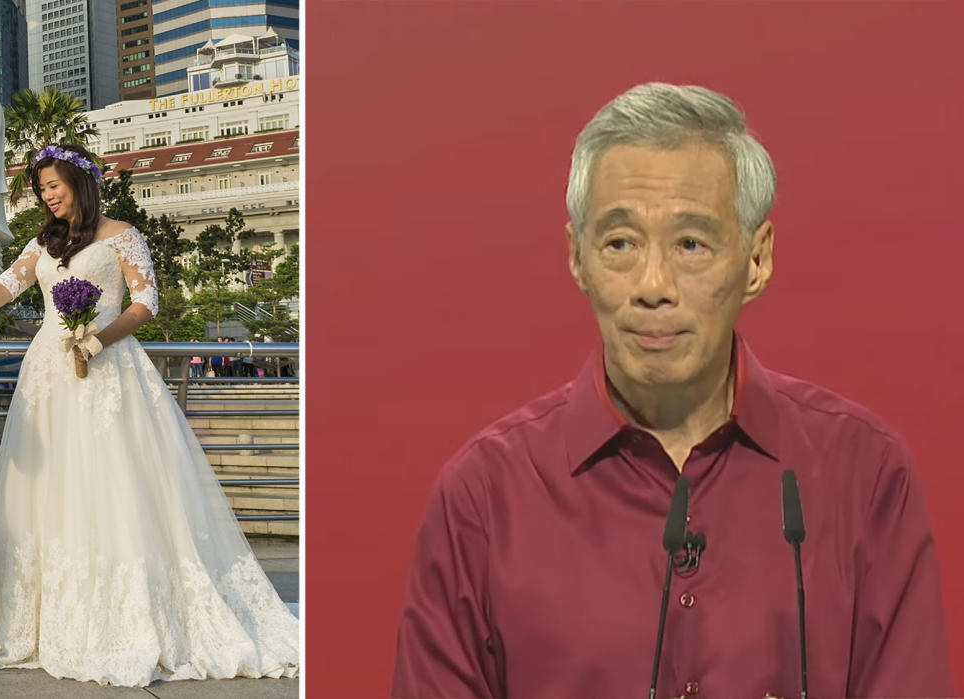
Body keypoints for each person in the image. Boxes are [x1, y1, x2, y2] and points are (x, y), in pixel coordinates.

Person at [391, 83, 954, 698]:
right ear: (578, 258)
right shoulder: (483, 496)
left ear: (756, 260)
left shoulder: (865, 474)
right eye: (621, 244)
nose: (653, 286)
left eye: (691, 244)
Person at [0, 143, 298, 687]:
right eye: (41, 190)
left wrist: (97, 339)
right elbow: (7, 284)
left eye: (54, 186)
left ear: (80, 183)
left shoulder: (121, 234)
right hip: (47, 374)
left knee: (114, 482)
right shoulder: (44, 241)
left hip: (109, 368)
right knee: (50, 486)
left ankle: (125, 612)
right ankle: (48, 611)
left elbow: (145, 302)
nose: (47, 196)